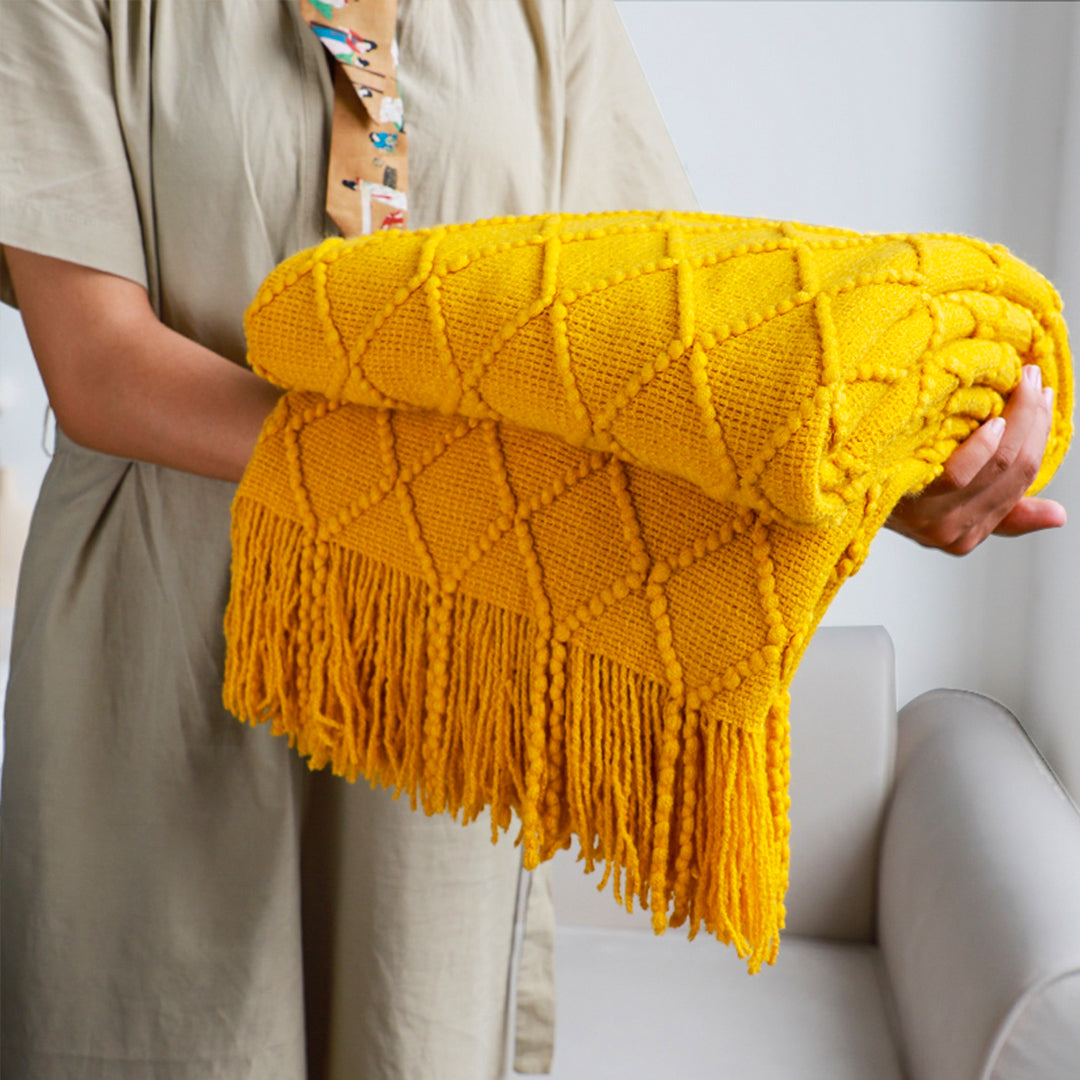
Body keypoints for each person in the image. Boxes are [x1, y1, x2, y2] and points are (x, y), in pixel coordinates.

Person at [0, 2, 1063, 1078]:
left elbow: (658, 351)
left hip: (460, 640)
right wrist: (455, 484)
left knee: (412, 1021)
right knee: (162, 1030)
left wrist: (875, 479)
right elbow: (99, 369)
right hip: (161, 633)